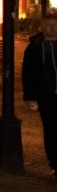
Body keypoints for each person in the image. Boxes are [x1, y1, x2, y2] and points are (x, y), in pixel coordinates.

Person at [22, 10, 57, 179]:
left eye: (55, 25)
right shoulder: (34, 48)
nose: (53, 29)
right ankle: (55, 164)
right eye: (49, 26)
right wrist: (29, 97)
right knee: (51, 130)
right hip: (46, 96)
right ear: (43, 27)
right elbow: (27, 74)